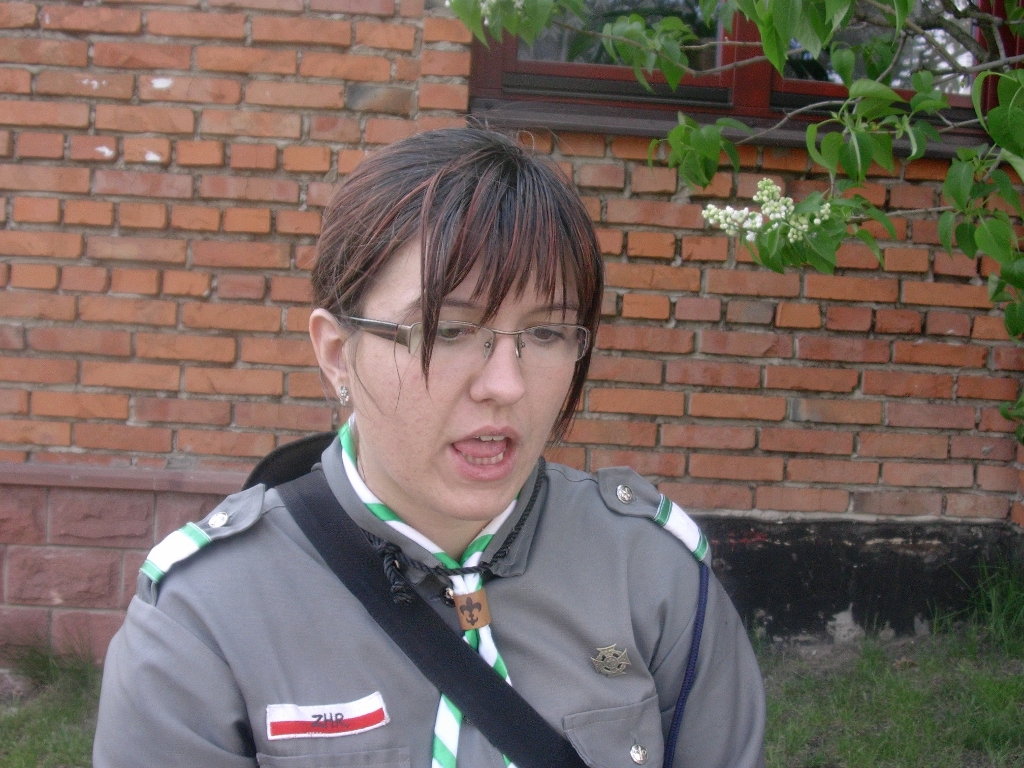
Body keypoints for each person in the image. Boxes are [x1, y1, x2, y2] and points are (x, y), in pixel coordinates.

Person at [93, 128, 765, 768]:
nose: (505, 385)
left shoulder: (650, 575)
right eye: (447, 330)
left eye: (547, 333)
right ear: (338, 352)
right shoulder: (207, 615)